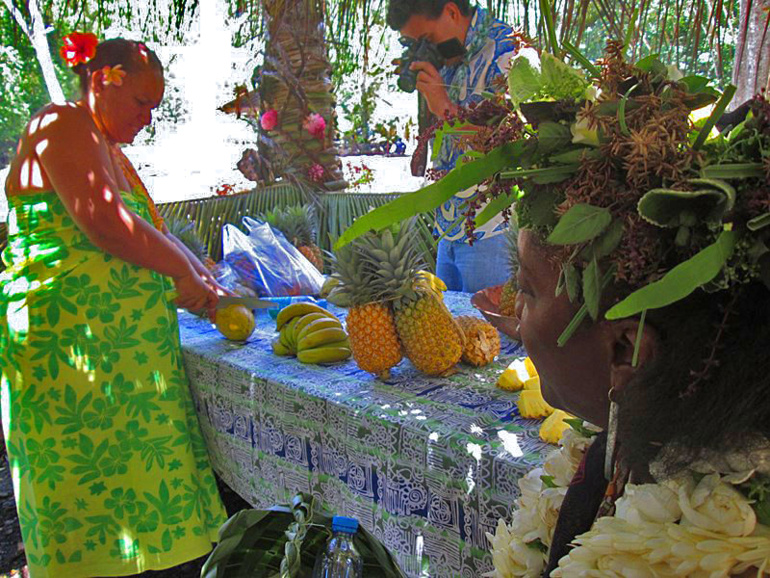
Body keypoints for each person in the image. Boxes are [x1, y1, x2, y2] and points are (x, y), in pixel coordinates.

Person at [0, 33, 227, 577]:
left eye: (156, 106)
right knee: (84, 497)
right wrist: (186, 273)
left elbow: (146, 232)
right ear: (103, 81)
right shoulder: (61, 123)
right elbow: (104, 221)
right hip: (71, 357)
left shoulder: (109, 150)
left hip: (121, 362)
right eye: (142, 102)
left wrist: (197, 276)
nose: (148, 117)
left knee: (138, 501)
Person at [387, 0, 516, 293]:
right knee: (454, 332)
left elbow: (510, 142)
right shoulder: (449, 57)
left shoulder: (505, 49)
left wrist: (443, 106)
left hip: (491, 228)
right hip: (448, 225)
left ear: (452, 12)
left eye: (426, 39)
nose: (424, 48)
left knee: (492, 336)